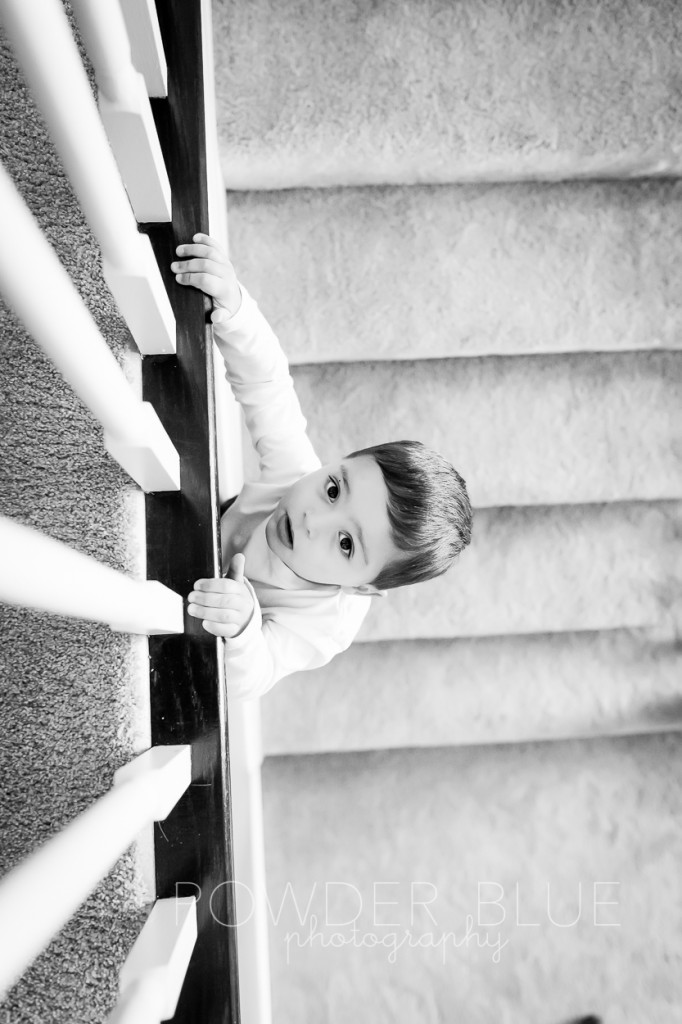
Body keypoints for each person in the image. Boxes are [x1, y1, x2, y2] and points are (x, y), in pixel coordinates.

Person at [171, 233, 472, 699]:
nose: (314, 520)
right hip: (191, 531)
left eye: (347, 544)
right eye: (334, 490)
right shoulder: (295, 475)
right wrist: (234, 305)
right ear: (338, 463)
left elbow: (255, 676)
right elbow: (268, 385)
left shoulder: (325, 623)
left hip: (197, 625)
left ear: (362, 589)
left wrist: (245, 625)